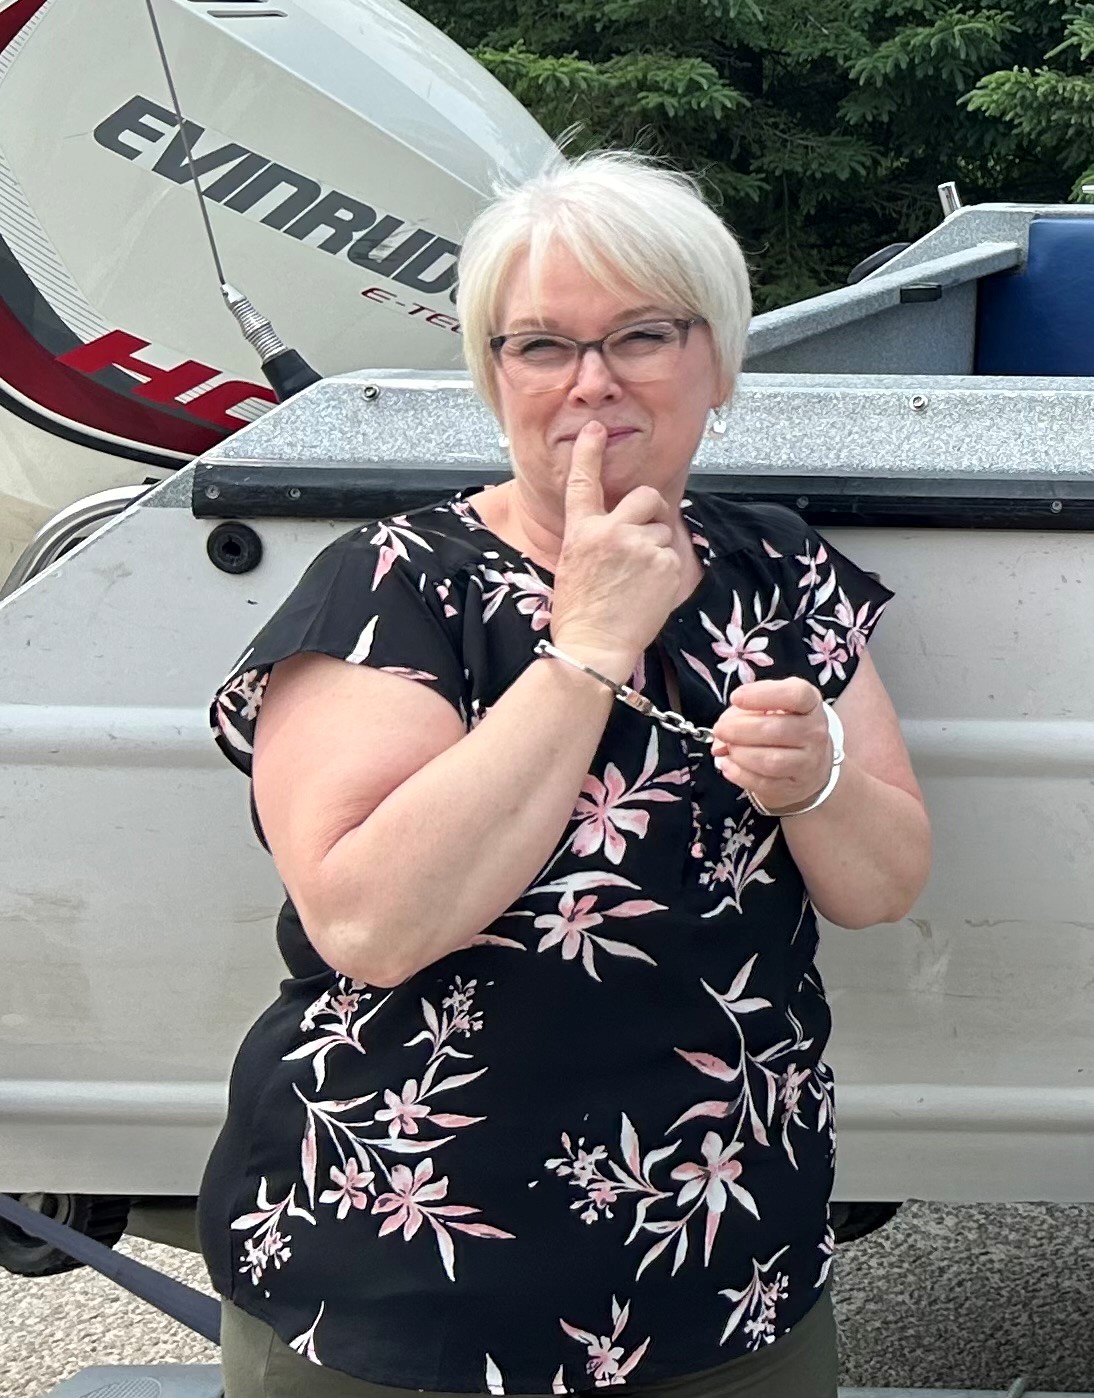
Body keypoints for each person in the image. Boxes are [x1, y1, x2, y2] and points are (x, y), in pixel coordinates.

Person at [200, 149, 931, 1398]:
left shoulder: (779, 573)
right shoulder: (396, 586)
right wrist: (585, 642)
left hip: (728, 1265)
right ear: (494, 378)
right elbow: (369, 923)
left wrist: (817, 781)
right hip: (402, 1283)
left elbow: (882, 883)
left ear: (716, 360)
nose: (591, 383)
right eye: (541, 346)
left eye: (640, 335)